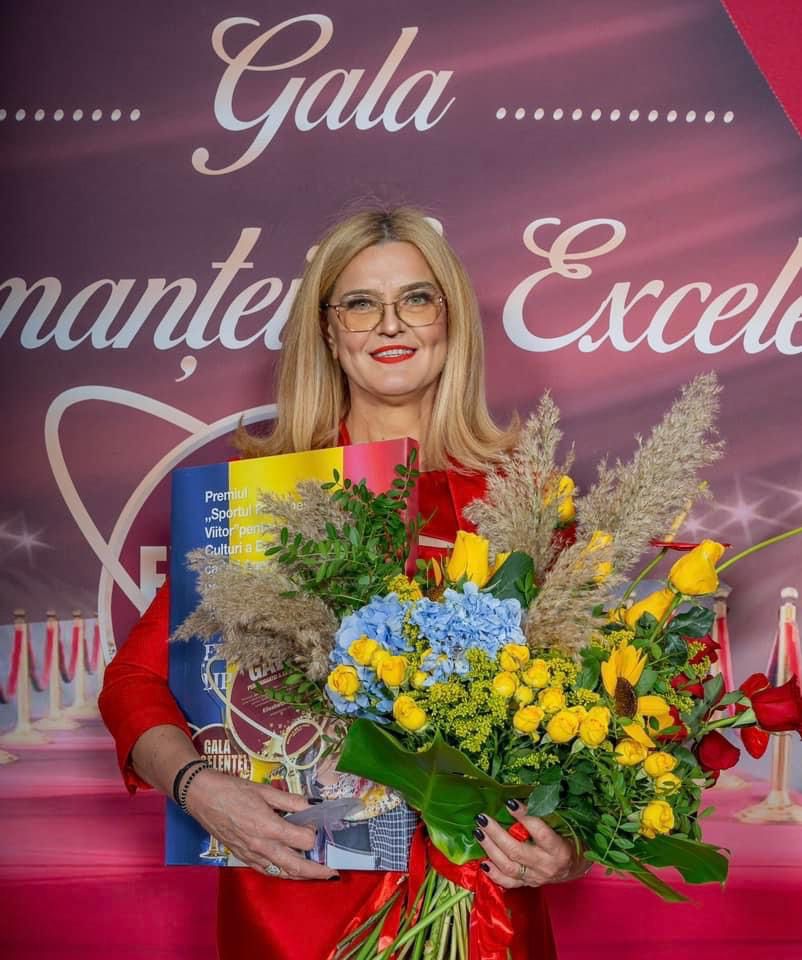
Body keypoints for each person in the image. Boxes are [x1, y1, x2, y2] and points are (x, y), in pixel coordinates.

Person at [99, 206, 590, 959]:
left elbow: (592, 726)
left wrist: (570, 848)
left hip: (480, 907)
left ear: (451, 320)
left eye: (417, 298)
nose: (390, 324)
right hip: (300, 898)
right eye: (361, 303)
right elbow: (133, 682)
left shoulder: (526, 501)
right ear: (329, 333)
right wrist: (201, 789)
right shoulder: (264, 499)